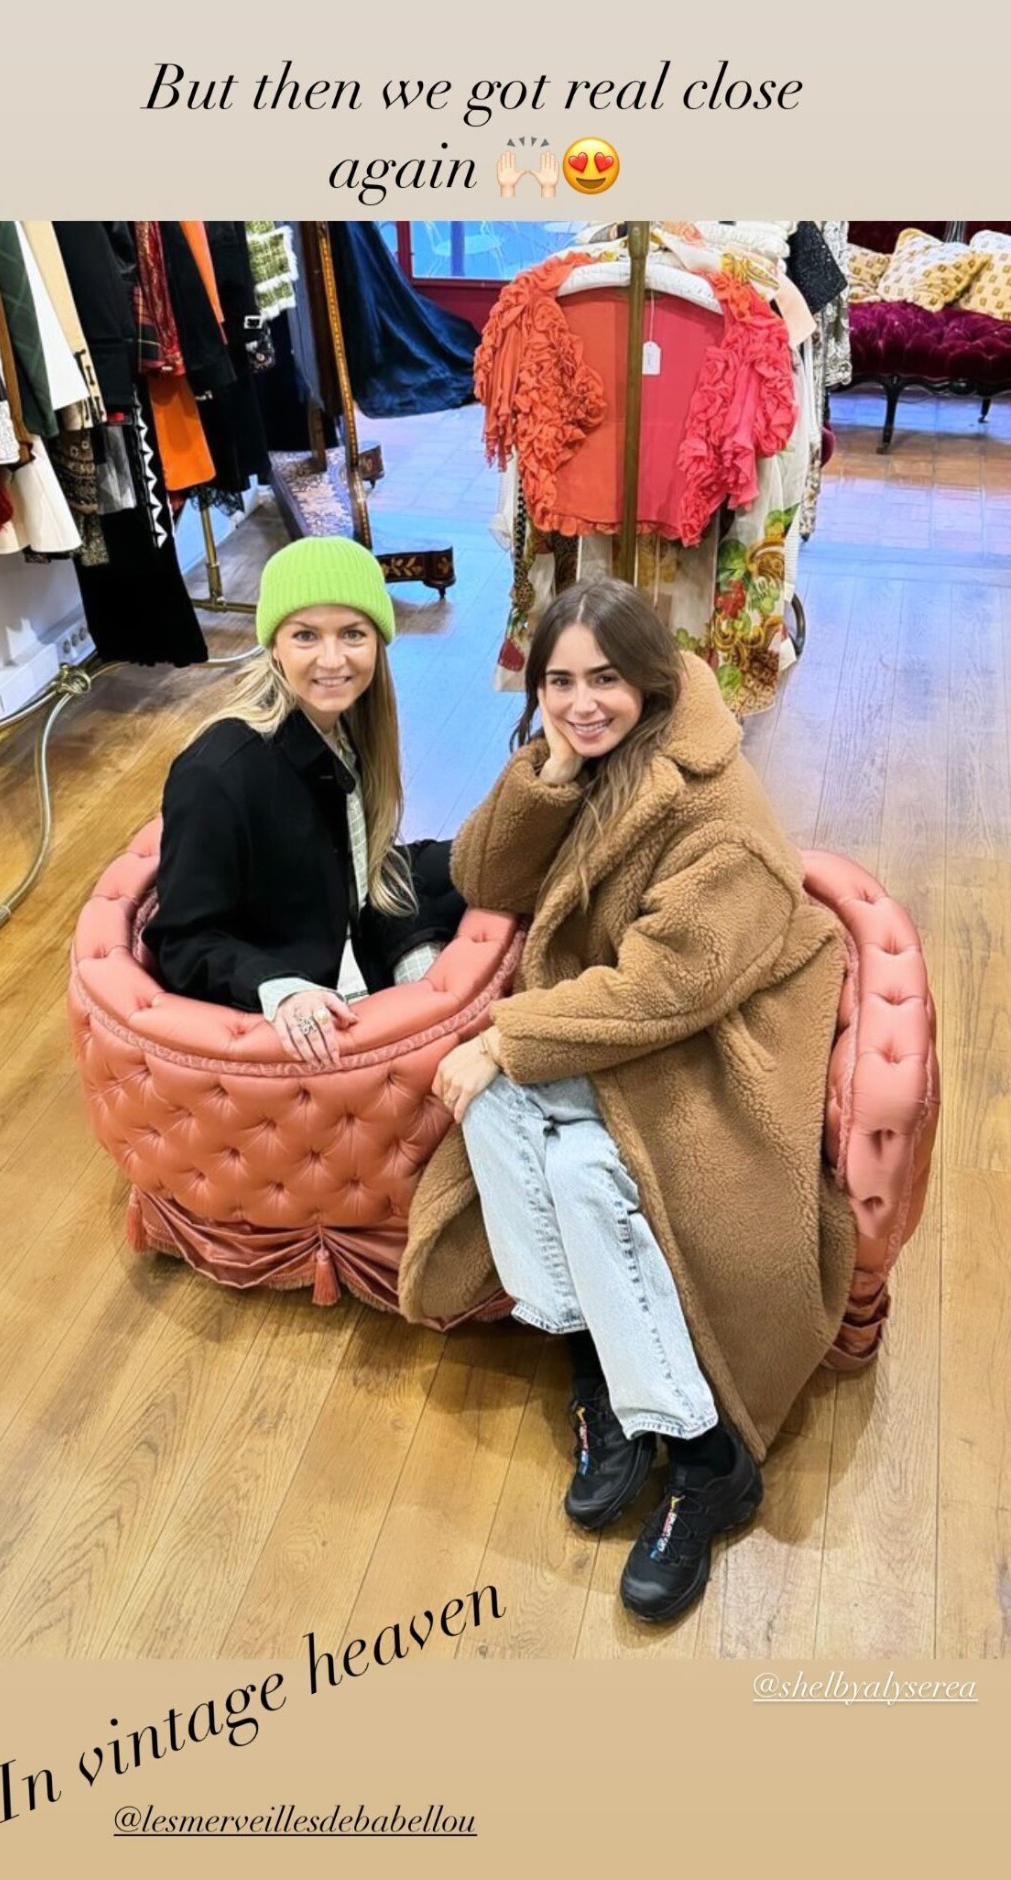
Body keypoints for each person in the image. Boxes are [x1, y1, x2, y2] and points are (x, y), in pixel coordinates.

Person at [398, 577, 858, 1625]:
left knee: (568, 1159)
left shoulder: (717, 816)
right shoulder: (595, 758)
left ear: (651, 679)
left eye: (604, 679)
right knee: (494, 1115)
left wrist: (506, 1036)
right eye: (558, 682)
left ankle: (703, 1457)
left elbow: (669, 988)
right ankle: (605, 1371)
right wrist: (550, 769)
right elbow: (482, 875)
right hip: (632, 1026)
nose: (581, 702)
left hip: (717, 1047)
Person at [144, 535, 464, 1060]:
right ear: (274, 644)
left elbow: (360, 866)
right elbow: (183, 941)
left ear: (379, 641)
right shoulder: (216, 773)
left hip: (350, 929)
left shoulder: (346, 725)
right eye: (306, 635)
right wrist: (280, 989)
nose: (332, 659)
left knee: (491, 865)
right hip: (295, 987)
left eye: (353, 633)